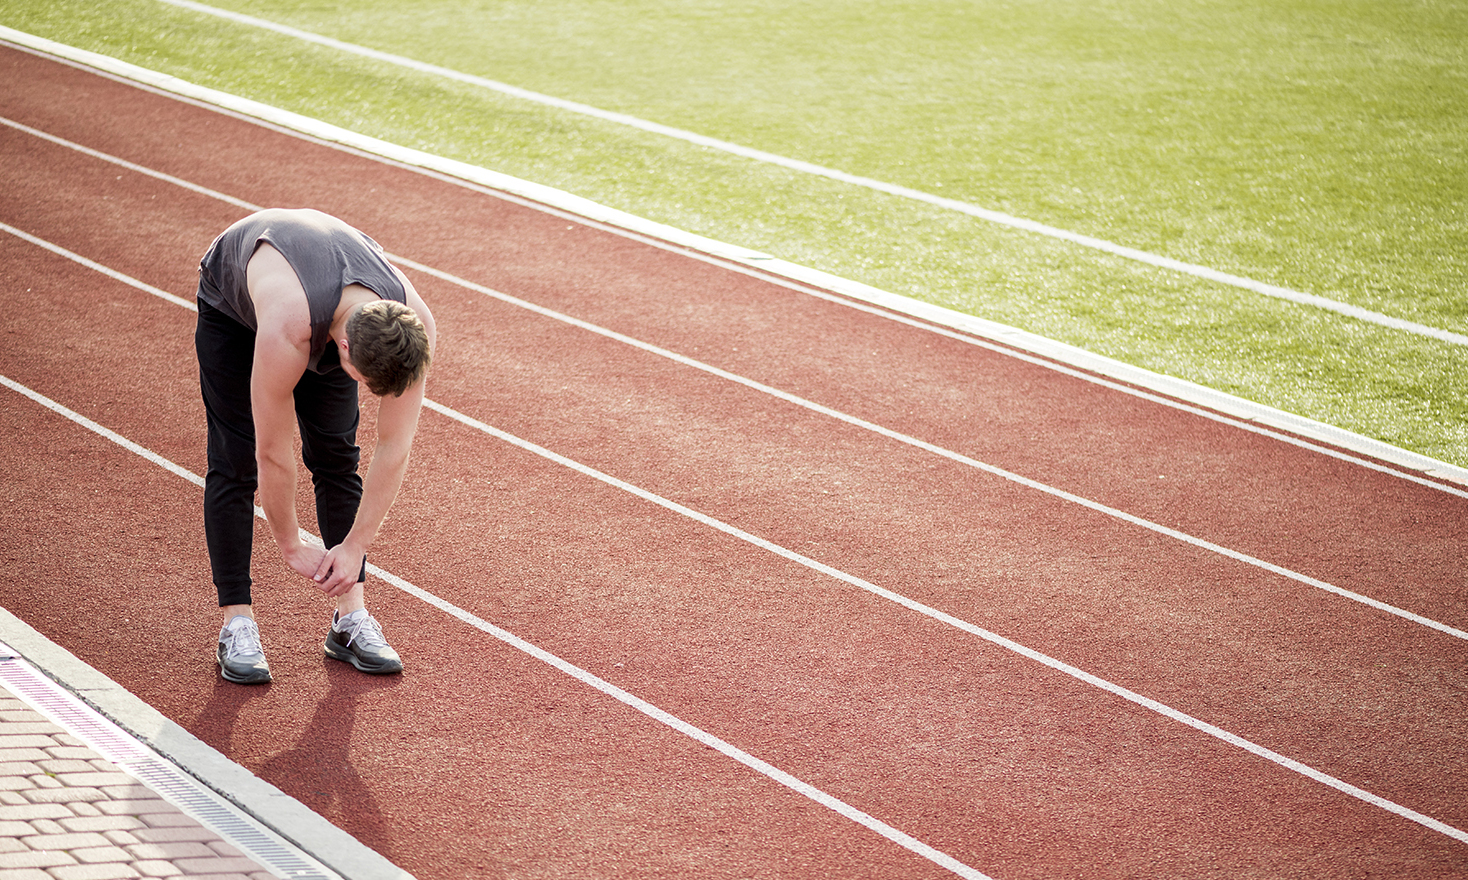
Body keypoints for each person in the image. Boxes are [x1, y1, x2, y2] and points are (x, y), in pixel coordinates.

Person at [194, 208, 435, 684]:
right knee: (235, 458)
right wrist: (289, 542)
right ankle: (236, 623)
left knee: (337, 457)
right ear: (342, 349)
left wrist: (356, 546)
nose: (369, 393)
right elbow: (273, 452)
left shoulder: (414, 326)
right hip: (235, 308)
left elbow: (396, 445)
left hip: (322, 298)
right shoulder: (286, 326)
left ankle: (350, 620)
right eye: (365, 383)